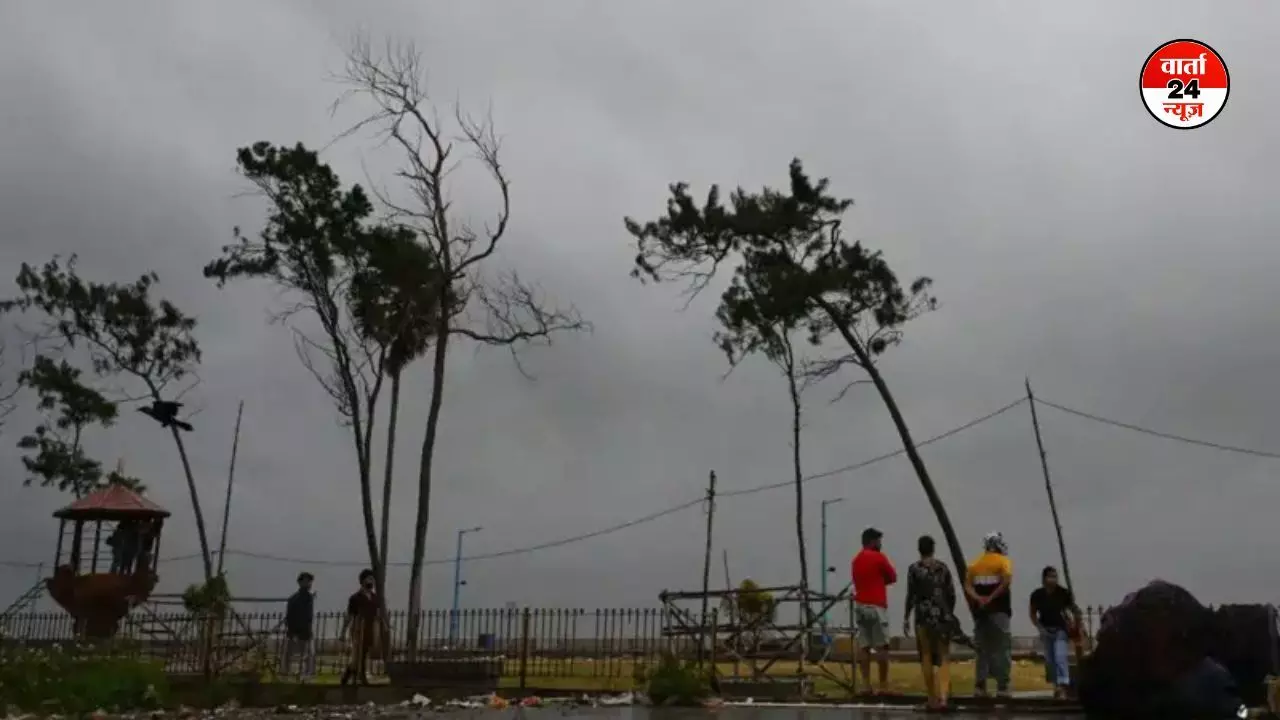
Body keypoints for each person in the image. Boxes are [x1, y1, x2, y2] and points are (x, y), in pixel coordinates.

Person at [903, 535, 960, 711]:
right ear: (933, 549)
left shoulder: (914, 569)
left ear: (919, 549)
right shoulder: (943, 569)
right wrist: (948, 612)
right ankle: (943, 699)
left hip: (923, 616)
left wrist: (906, 616)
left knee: (926, 655)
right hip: (942, 616)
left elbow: (911, 595)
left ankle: (931, 698)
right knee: (944, 656)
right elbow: (951, 593)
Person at [965, 531, 1013, 699]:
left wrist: (979, 599)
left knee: (982, 649)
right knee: (1002, 648)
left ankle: (980, 686)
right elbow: (1006, 581)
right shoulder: (1004, 561)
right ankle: (1002, 686)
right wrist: (991, 598)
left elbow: (968, 586)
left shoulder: (974, 564)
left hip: (981, 613)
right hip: (1000, 611)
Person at [851, 526, 897, 695]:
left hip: (860, 605)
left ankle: (865, 685)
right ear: (871, 541)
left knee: (864, 646)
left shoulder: (856, 560)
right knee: (882, 646)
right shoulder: (879, 558)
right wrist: (880, 580)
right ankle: (883, 685)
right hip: (877, 605)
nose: (880, 543)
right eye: (878, 540)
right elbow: (892, 577)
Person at [1029, 565, 1076, 699]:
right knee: (1050, 660)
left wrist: (1073, 624)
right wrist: (1039, 627)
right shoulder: (1037, 595)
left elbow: (1071, 610)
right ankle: (1056, 686)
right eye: (1050, 576)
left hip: (1060, 629)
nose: (1053, 579)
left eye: (1055, 576)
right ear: (1044, 579)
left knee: (1060, 656)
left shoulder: (1063, 593)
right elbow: (1032, 613)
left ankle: (1062, 684)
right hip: (1046, 630)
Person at [340, 568, 380, 686]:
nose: (371, 581)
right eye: (369, 579)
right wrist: (343, 631)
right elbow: (349, 615)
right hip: (358, 629)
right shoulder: (355, 598)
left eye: (372, 579)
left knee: (365, 654)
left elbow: (377, 615)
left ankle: (353, 676)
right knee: (358, 655)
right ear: (362, 581)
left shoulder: (374, 597)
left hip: (370, 628)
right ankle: (356, 677)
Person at [281, 572, 316, 680]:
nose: (308, 584)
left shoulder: (309, 598)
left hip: (306, 631)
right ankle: (287, 673)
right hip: (296, 630)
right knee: (290, 654)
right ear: (300, 583)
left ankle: (306, 674)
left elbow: (309, 616)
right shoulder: (294, 599)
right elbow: (290, 617)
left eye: (309, 582)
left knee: (309, 654)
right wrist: (293, 631)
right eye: (306, 581)